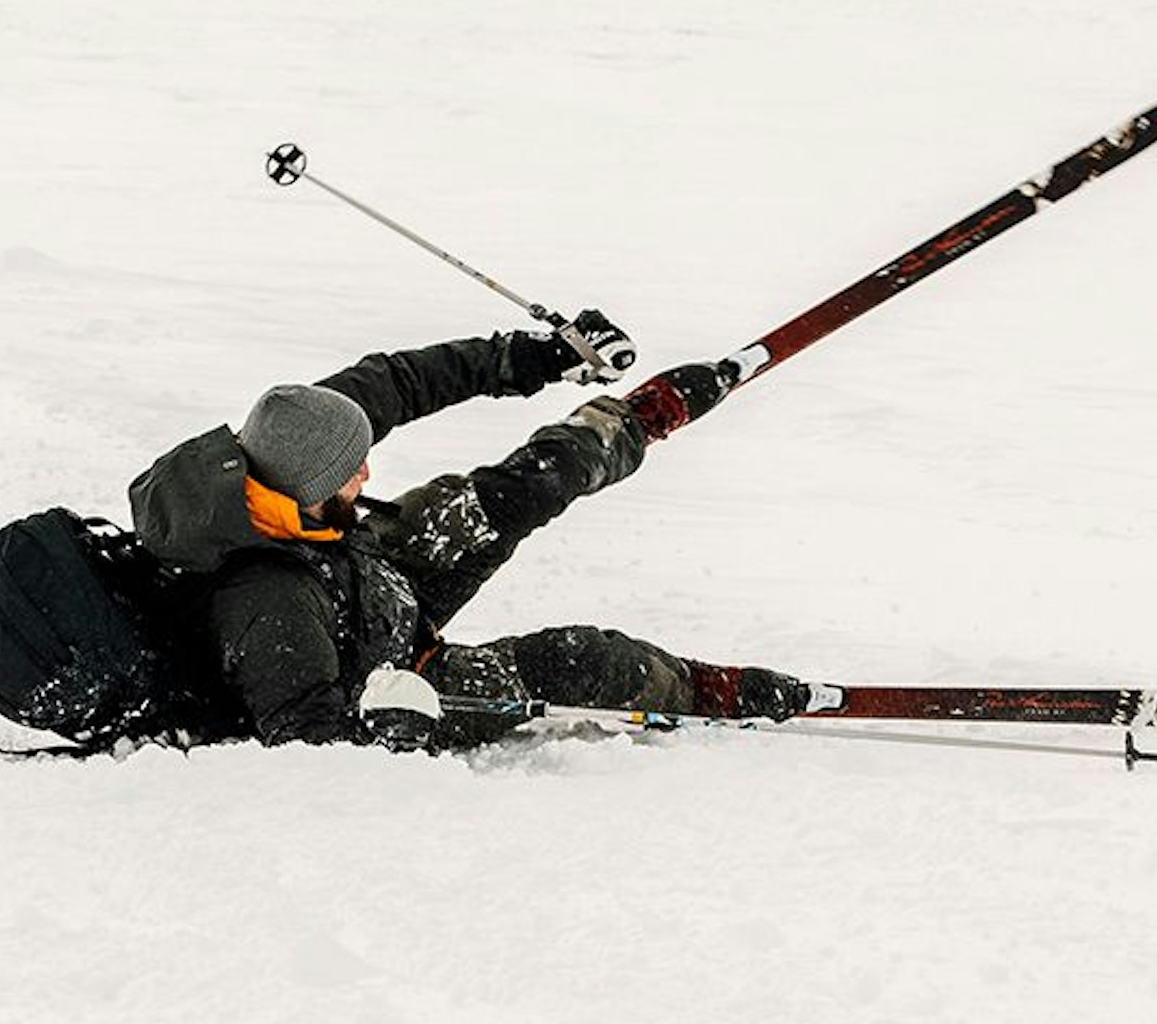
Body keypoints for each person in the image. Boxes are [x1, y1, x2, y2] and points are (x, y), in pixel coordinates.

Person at [114, 315, 810, 749]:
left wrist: (530, 357)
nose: (368, 470)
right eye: (352, 470)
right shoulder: (267, 605)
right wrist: (395, 730)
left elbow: (401, 381)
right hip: (387, 680)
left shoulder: (292, 434)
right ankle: (702, 691)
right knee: (580, 662)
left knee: (517, 490)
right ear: (309, 489)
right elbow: (309, 745)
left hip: (359, 572)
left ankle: (639, 416)